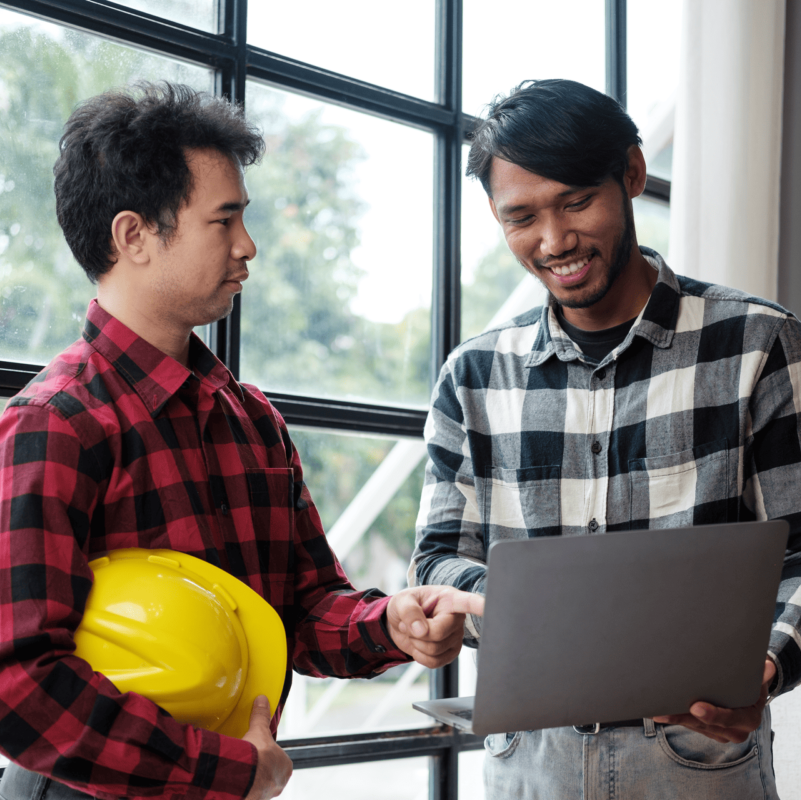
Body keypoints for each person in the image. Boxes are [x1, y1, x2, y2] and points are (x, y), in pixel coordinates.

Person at [0, 82, 483, 800]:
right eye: (222, 222)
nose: (247, 247)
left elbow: (303, 607)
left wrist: (393, 623)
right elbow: (19, 682)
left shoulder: (251, 418)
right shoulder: (56, 423)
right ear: (133, 236)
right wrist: (225, 772)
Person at [409, 78, 801, 799]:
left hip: (698, 760)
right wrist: (526, 609)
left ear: (630, 174)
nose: (553, 241)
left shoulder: (756, 342)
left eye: (575, 202)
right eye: (520, 217)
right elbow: (436, 559)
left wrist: (768, 665)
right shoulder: (473, 375)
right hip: (529, 763)